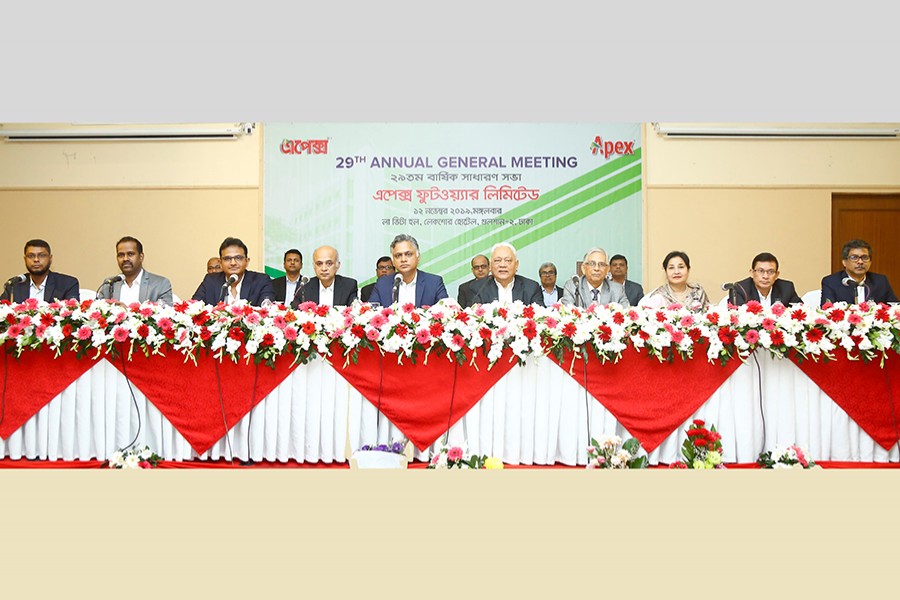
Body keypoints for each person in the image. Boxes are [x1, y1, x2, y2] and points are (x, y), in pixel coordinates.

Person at [368, 234, 449, 307]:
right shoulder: (382, 284)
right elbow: (371, 314)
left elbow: (445, 314)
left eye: (408, 254)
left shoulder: (434, 282)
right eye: (398, 255)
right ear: (393, 261)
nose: (403, 259)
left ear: (418, 257)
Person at [192, 237, 275, 305]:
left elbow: (266, 310)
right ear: (220, 262)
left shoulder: (261, 280)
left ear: (247, 261)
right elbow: (194, 307)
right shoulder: (210, 281)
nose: (233, 263)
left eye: (238, 258)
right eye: (227, 259)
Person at [95, 236, 173, 304]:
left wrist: (127, 312)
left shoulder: (160, 284)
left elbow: (166, 316)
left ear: (141, 256)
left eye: (130, 254)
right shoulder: (109, 284)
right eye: (121, 255)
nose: (125, 259)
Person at [821, 239, 898, 305]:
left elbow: (895, 307)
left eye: (865, 258)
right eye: (854, 257)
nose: (860, 262)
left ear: (870, 262)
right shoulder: (831, 282)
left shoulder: (880, 281)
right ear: (844, 262)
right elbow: (827, 311)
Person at [1, 239, 79, 303]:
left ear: (50, 258)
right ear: (25, 259)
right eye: (31, 256)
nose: (36, 260)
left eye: (42, 255)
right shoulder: (14, 285)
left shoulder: (68, 284)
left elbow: (71, 316)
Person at [468, 242, 543, 306]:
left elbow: (541, 317)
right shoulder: (477, 288)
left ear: (516, 265)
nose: (502, 265)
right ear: (490, 266)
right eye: (497, 260)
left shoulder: (531, 288)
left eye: (508, 260)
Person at [290, 245, 357, 308]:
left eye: (329, 263)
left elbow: (353, 314)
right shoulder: (304, 287)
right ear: (314, 266)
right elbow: (295, 313)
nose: (324, 268)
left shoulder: (349, 286)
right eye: (319, 264)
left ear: (338, 265)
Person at [728, 252, 801, 307]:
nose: (765, 276)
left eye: (771, 272)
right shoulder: (739, 289)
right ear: (752, 273)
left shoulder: (786, 288)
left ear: (777, 275)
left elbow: (801, 311)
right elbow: (738, 318)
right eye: (761, 271)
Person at [641, 250, 709, 309]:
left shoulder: (698, 292)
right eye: (671, 268)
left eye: (681, 267)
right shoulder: (659, 296)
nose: (676, 272)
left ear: (688, 269)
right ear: (665, 271)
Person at [562, 248, 629, 307]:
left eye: (601, 264)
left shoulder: (617, 290)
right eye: (592, 264)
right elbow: (569, 314)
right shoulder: (572, 287)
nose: (596, 268)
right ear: (583, 268)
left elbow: (625, 315)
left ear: (607, 269)